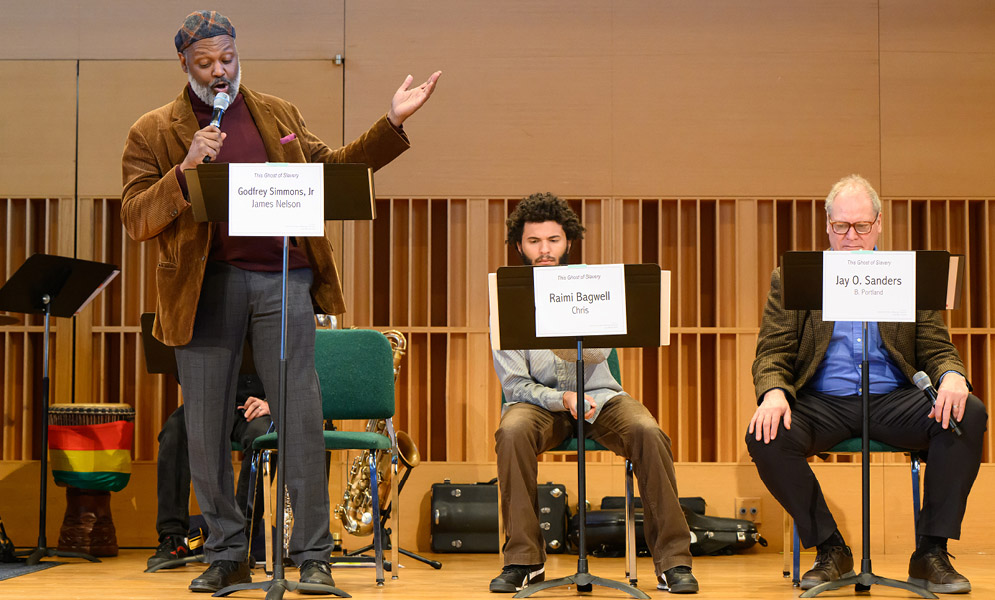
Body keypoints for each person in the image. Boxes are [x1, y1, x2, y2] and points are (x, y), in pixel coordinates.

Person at [121, 10, 440, 593]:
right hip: (204, 286)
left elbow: (332, 170)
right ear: (185, 65)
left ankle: (312, 554)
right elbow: (136, 217)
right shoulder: (155, 130)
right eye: (206, 64)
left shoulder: (277, 113)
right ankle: (226, 552)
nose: (220, 73)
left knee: (299, 416)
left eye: (228, 60)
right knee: (205, 425)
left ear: (239, 53)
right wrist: (186, 167)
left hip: (284, 279)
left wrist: (391, 122)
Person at [747, 174, 988, 594]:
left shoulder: (904, 275)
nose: (851, 237)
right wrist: (772, 392)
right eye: (841, 226)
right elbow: (773, 352)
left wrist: (952, 376)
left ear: (878, 225)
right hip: (823, 400)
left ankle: (930, 553)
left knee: (969, 411)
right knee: (765, 435)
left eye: (861, 226)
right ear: (827, 225)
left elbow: (935, 346)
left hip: (894, 399)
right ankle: (830, 548)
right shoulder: (795, 277)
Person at [489, 193, 698, 594]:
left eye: (553, 240)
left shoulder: (592, 283)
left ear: (568, 242)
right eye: (534, 241)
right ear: (520, 245)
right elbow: (515, 384)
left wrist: (578, 310)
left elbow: (602, 352)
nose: (544, 250)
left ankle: (672, 562)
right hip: (538, 403)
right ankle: (523, 560)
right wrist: (560, 399)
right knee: (511, 432)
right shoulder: (506, 295)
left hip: (600, 396)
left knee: (648, 432)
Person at [147, 374, 271, 570]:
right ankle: (173, 537)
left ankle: (242, 539)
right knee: (174, 430)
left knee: (262, 437)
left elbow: (296, 367)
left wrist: (271, 403)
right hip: (210, 403)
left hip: (257, 407)